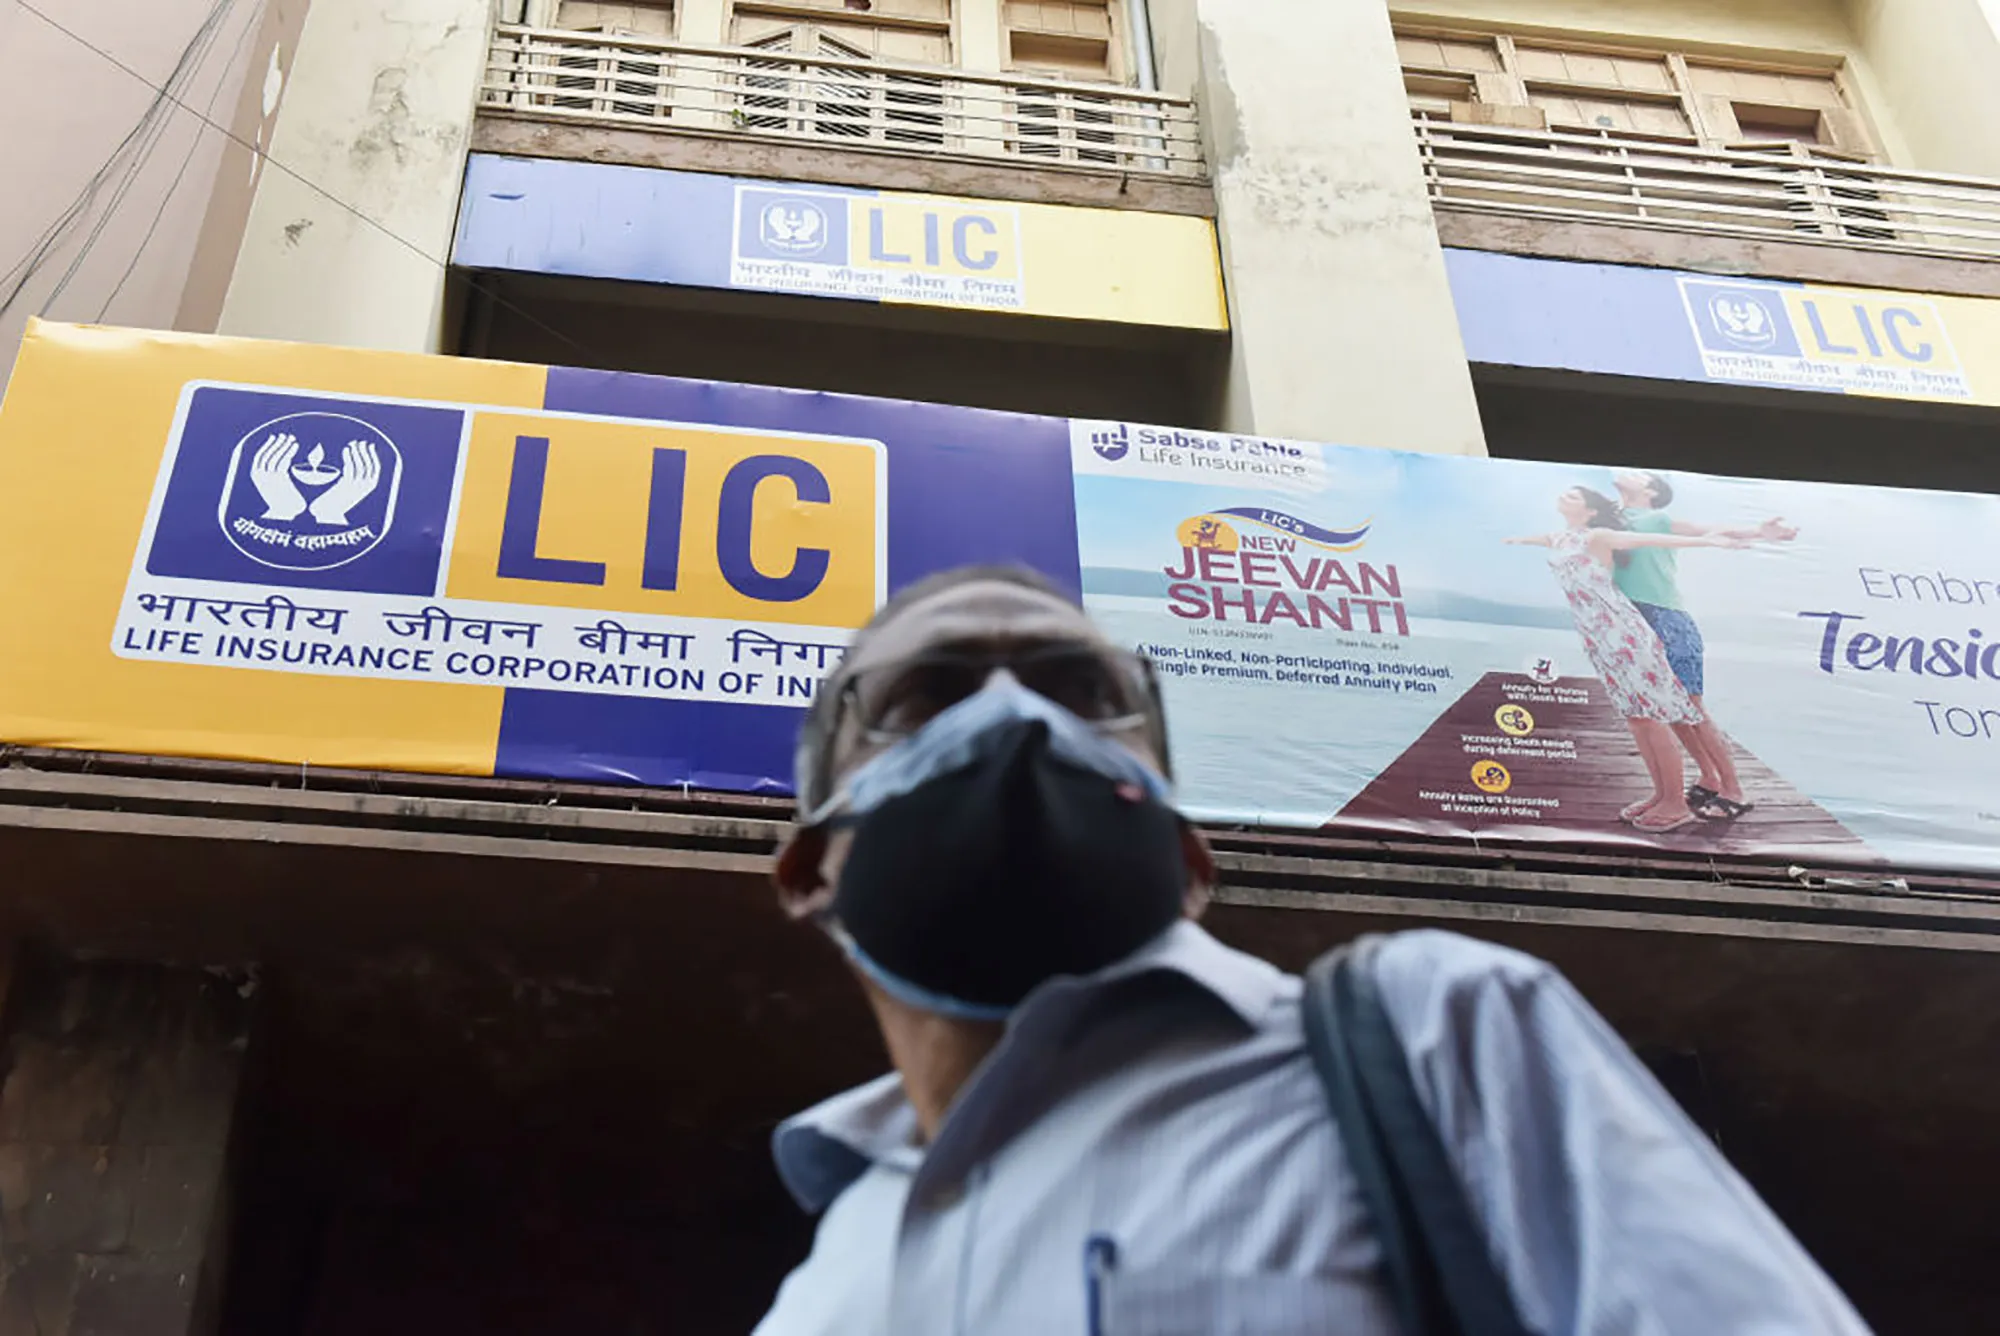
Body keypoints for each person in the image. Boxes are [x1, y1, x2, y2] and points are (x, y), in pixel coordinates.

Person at [754, 563, 1869, 1334]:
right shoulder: (826, 1273)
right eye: (923, 699)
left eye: (1083, 695)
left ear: (1189, 861)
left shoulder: (1429, 1038)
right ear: (807, 867)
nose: (1010, 721)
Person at [1505, 487, 1748, 834]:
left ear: (1590, 512)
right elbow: (1540, 539)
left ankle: (1675, 803)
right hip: (1597, 635)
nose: (1565, 496)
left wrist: (1709, 541)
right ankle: (1661, 794)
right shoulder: (1559, 537)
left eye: (1575, 495)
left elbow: (1649, 538)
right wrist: (1513, 540)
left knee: (1650, 718)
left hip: (1623, 632)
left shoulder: (1599, 535)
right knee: (1635, 719)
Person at [1612, 469, 1796, 824]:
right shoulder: (1611, 518)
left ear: (1651, 490)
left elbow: (1704, 531)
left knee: (1692, 711)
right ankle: (1704, 780)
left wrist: (1759, 532)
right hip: (1631, 622)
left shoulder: (1656, 518)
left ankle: (1733, 790)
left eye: (1638, 473)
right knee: (1676, 715)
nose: (1625, 472)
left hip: (1666, 620)